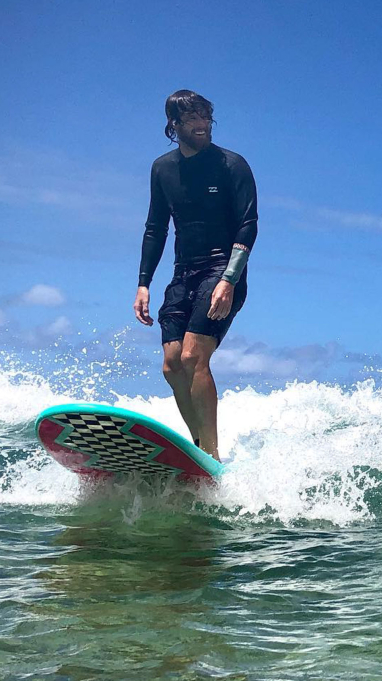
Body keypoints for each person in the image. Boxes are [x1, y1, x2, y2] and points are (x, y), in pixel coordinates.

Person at [133, 90, 258, 460]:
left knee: (192, 358)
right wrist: (143, 283)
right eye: (192, 119)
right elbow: (155, 228)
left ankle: (213, 455)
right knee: (172, 365)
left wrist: (229, 279)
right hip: (183, 272)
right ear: (174, 125)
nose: (202, 125)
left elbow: (248, 225)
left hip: (223, 270)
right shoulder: (163, 169)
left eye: (206, 117)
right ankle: (198, 449)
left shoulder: (232, 165)